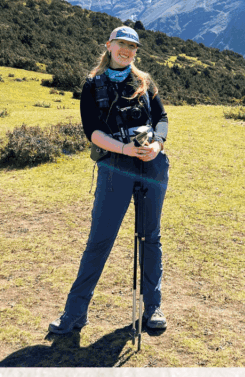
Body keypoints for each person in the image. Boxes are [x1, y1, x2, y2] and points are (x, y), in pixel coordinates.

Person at [49, 25, 170, 334]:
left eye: (132, 46)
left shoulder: (145, 82)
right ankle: (75, 313)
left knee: (150, 237)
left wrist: (156, 146)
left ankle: (152, 307)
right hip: (115, 167)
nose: (126, 50)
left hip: (151, 166)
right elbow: (92, 131)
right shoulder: (92, 84)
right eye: (121, 44)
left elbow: (161, 120)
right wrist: (123, 149)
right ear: (109, 45)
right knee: (100, 240)